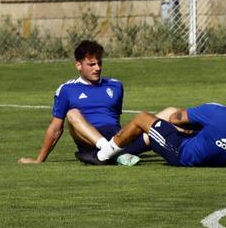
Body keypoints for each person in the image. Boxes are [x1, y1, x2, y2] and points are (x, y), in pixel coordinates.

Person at [18, 40, 148, 164]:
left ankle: (115, 152)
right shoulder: (67, 89)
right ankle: (109, 149)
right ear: (78, 65)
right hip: (89, 144)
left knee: (167, 114)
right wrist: (39, 160)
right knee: (72, 114)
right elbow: (55, 128)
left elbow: (115, 119)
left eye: (99, 63)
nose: (97, 68)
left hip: (118, 140)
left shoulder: (116, 86)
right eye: (91, 64)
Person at [83, 81, 226, 167]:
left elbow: (175, 118)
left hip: (182, 153)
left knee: (143, 119)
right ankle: (122, 154)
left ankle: (102, 155)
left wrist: (191, 127)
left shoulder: (216, 111)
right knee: (160, 127)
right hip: (208, 156)